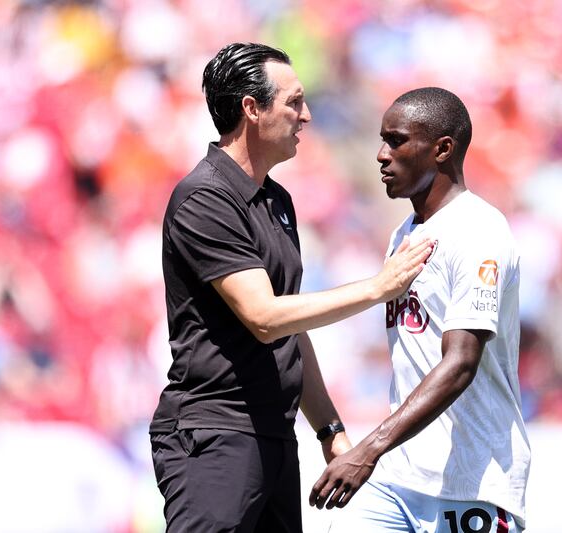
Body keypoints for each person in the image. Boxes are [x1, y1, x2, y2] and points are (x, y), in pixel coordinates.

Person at [149, 43, 433, 533]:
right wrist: (378, 288)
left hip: (274, 437)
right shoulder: (204, 197)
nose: (306, 115)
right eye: (294, 102)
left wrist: (329, 429)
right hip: (216, 435)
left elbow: (290, 327)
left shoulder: (276, 200)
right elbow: (264, 317)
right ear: (251, 109)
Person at [309, 87, 531, 532]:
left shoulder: (478, 230)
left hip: (470, 482)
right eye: (381, 139)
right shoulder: (403, 234)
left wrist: (368, 448)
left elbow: (461, 362)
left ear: (442, 149)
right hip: (397, 475)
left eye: (396, 140)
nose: (380, 155)